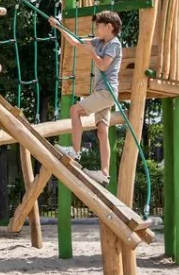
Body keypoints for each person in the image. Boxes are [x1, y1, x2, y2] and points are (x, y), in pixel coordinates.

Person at [49, 10, 123, 185]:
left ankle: (75, 150)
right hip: (103, 92)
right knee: (102, 130)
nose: (96, 28)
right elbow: (76, 42)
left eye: (99, 25)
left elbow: (104, 66)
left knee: (75, 110)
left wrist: (92, 53)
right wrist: (59, 27)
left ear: (109, 27)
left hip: (106, 92)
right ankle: (105, 173)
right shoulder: (99, 42)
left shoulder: (114, 44)